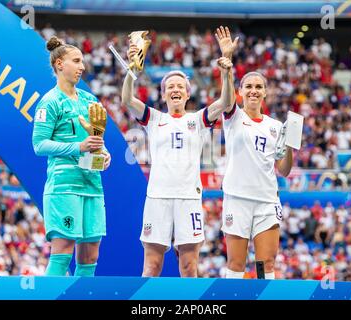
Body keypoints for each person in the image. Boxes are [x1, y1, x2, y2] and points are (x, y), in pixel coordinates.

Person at [121, 27, 235, 277]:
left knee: (188, 266)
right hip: (158, 197)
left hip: (188, 198)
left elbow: (227, 103)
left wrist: (227, 72)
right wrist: (132, 69)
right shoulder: (154, 118)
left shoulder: (198, 120)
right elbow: (127, 99)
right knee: (152, 266)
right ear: (162, 94)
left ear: (187, 93)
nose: (175, 89)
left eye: (180, 86)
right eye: (170, 86)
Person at [32, 36, 111, 276]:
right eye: (76, 61)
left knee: (90, 255)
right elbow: (39, 144)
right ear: (59, 65)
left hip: (92, 185)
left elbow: (97, 140)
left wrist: (104, 153)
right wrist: (78, 147)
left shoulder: (90, 100)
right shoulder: (50, 101)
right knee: (63, 252)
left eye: (82, 61)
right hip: (64, 187)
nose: (82, 66)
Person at [219, 29, 294, 280]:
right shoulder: (232, 116)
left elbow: (283, 170)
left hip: (266, 200)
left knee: (266, 265)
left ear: (265, 92)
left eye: (258, 87)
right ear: (240, 91)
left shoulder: (276, 126)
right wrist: (227, 65)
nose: (253, 90)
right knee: (236, 265)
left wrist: (291, 146)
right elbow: (226, 97)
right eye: (248, 86)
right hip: (237, 198)